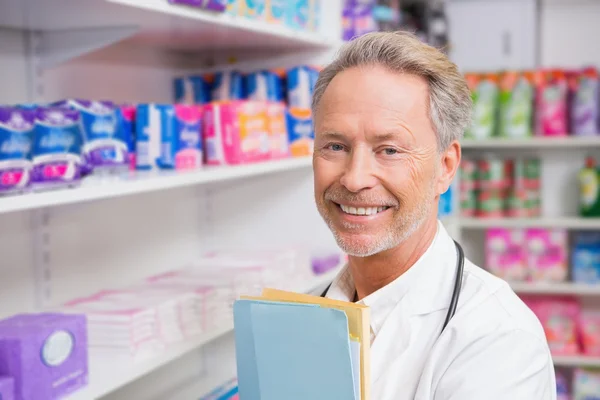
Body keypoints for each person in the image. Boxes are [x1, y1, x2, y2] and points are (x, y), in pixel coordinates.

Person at [312, 31, 556, 399]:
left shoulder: (499, 343)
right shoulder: (314, 310)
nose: (355, 178)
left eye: (389, 150)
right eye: (335, 145)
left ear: (445, 167)